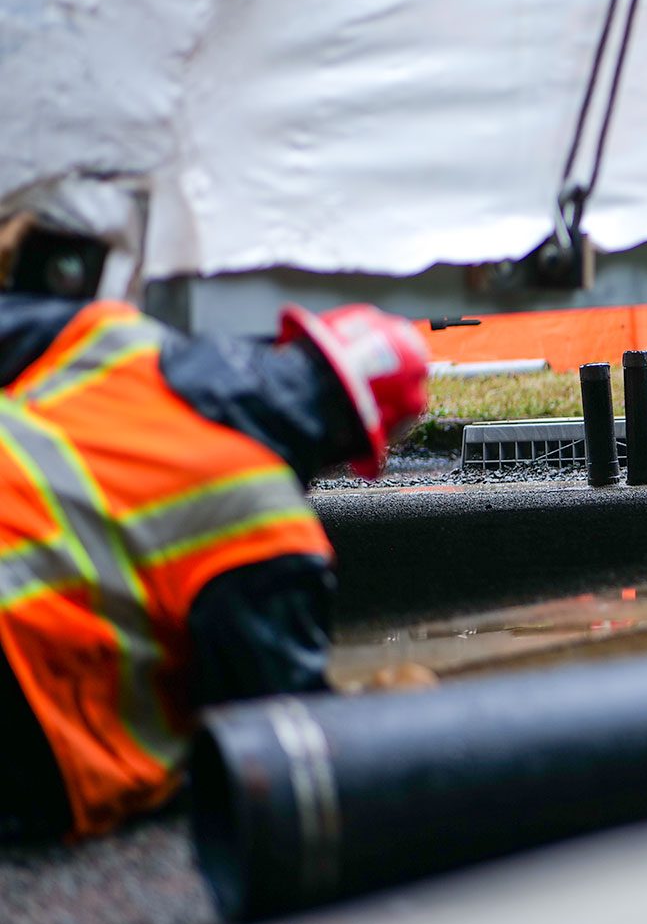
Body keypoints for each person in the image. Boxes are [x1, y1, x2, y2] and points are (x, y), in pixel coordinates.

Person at [0, 175, 430, 842]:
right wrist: (382, 716)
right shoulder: (270, 527)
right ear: (352, 443)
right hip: (24, 686)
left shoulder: (115, 338)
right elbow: (282, 742)